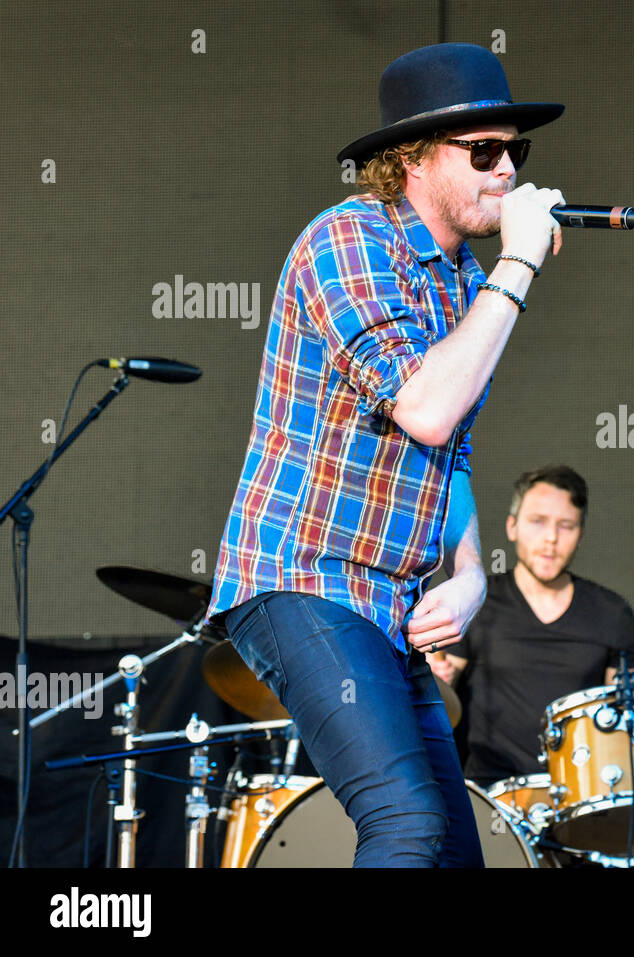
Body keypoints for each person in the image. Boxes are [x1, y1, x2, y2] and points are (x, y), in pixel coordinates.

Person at [203, 43, 569, 867]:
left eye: (517, 151)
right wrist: (517, 264)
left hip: (387, 599)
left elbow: (453, 456)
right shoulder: (346, 241)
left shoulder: (462, 280)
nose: (507, 171)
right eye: (484, 152)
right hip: (303, 575)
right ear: (411, 159)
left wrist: (471, 573)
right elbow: (428, 408)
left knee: (453, 852)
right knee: (403, 822)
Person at [431, 465, 634, 786]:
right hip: (493, 797)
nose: (551, 538)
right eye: (538, 522)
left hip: (584, 795)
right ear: (512, 527)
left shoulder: (612, 612)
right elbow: (441, 707)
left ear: (581, 535)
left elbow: (628, 717)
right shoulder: (476, 601)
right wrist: (433, 678)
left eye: (566, 525)